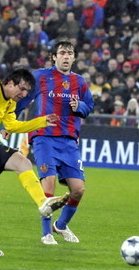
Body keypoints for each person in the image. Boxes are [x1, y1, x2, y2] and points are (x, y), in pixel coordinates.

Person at [0, 68, 69, 256]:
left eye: (26, 92)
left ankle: (43, 203)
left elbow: (13, 126)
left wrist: (41, 122)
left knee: (23, 162)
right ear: (9, 83)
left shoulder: (8, 102)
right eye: (21, 89)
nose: (23, 95)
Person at [15, 40, 94, 245]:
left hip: (69, 141)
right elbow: (22, 99)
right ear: (54, 57)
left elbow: (89, 107)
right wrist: (9, 121)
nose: (66, 56)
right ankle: (45, 233)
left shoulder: (80, 82)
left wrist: (80, 106)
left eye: (70, 53)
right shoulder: (41, 76)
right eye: (62, 53)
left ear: (74, 58)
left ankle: (60, 225)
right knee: (48, 182)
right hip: (44, 137)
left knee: (78, 189)